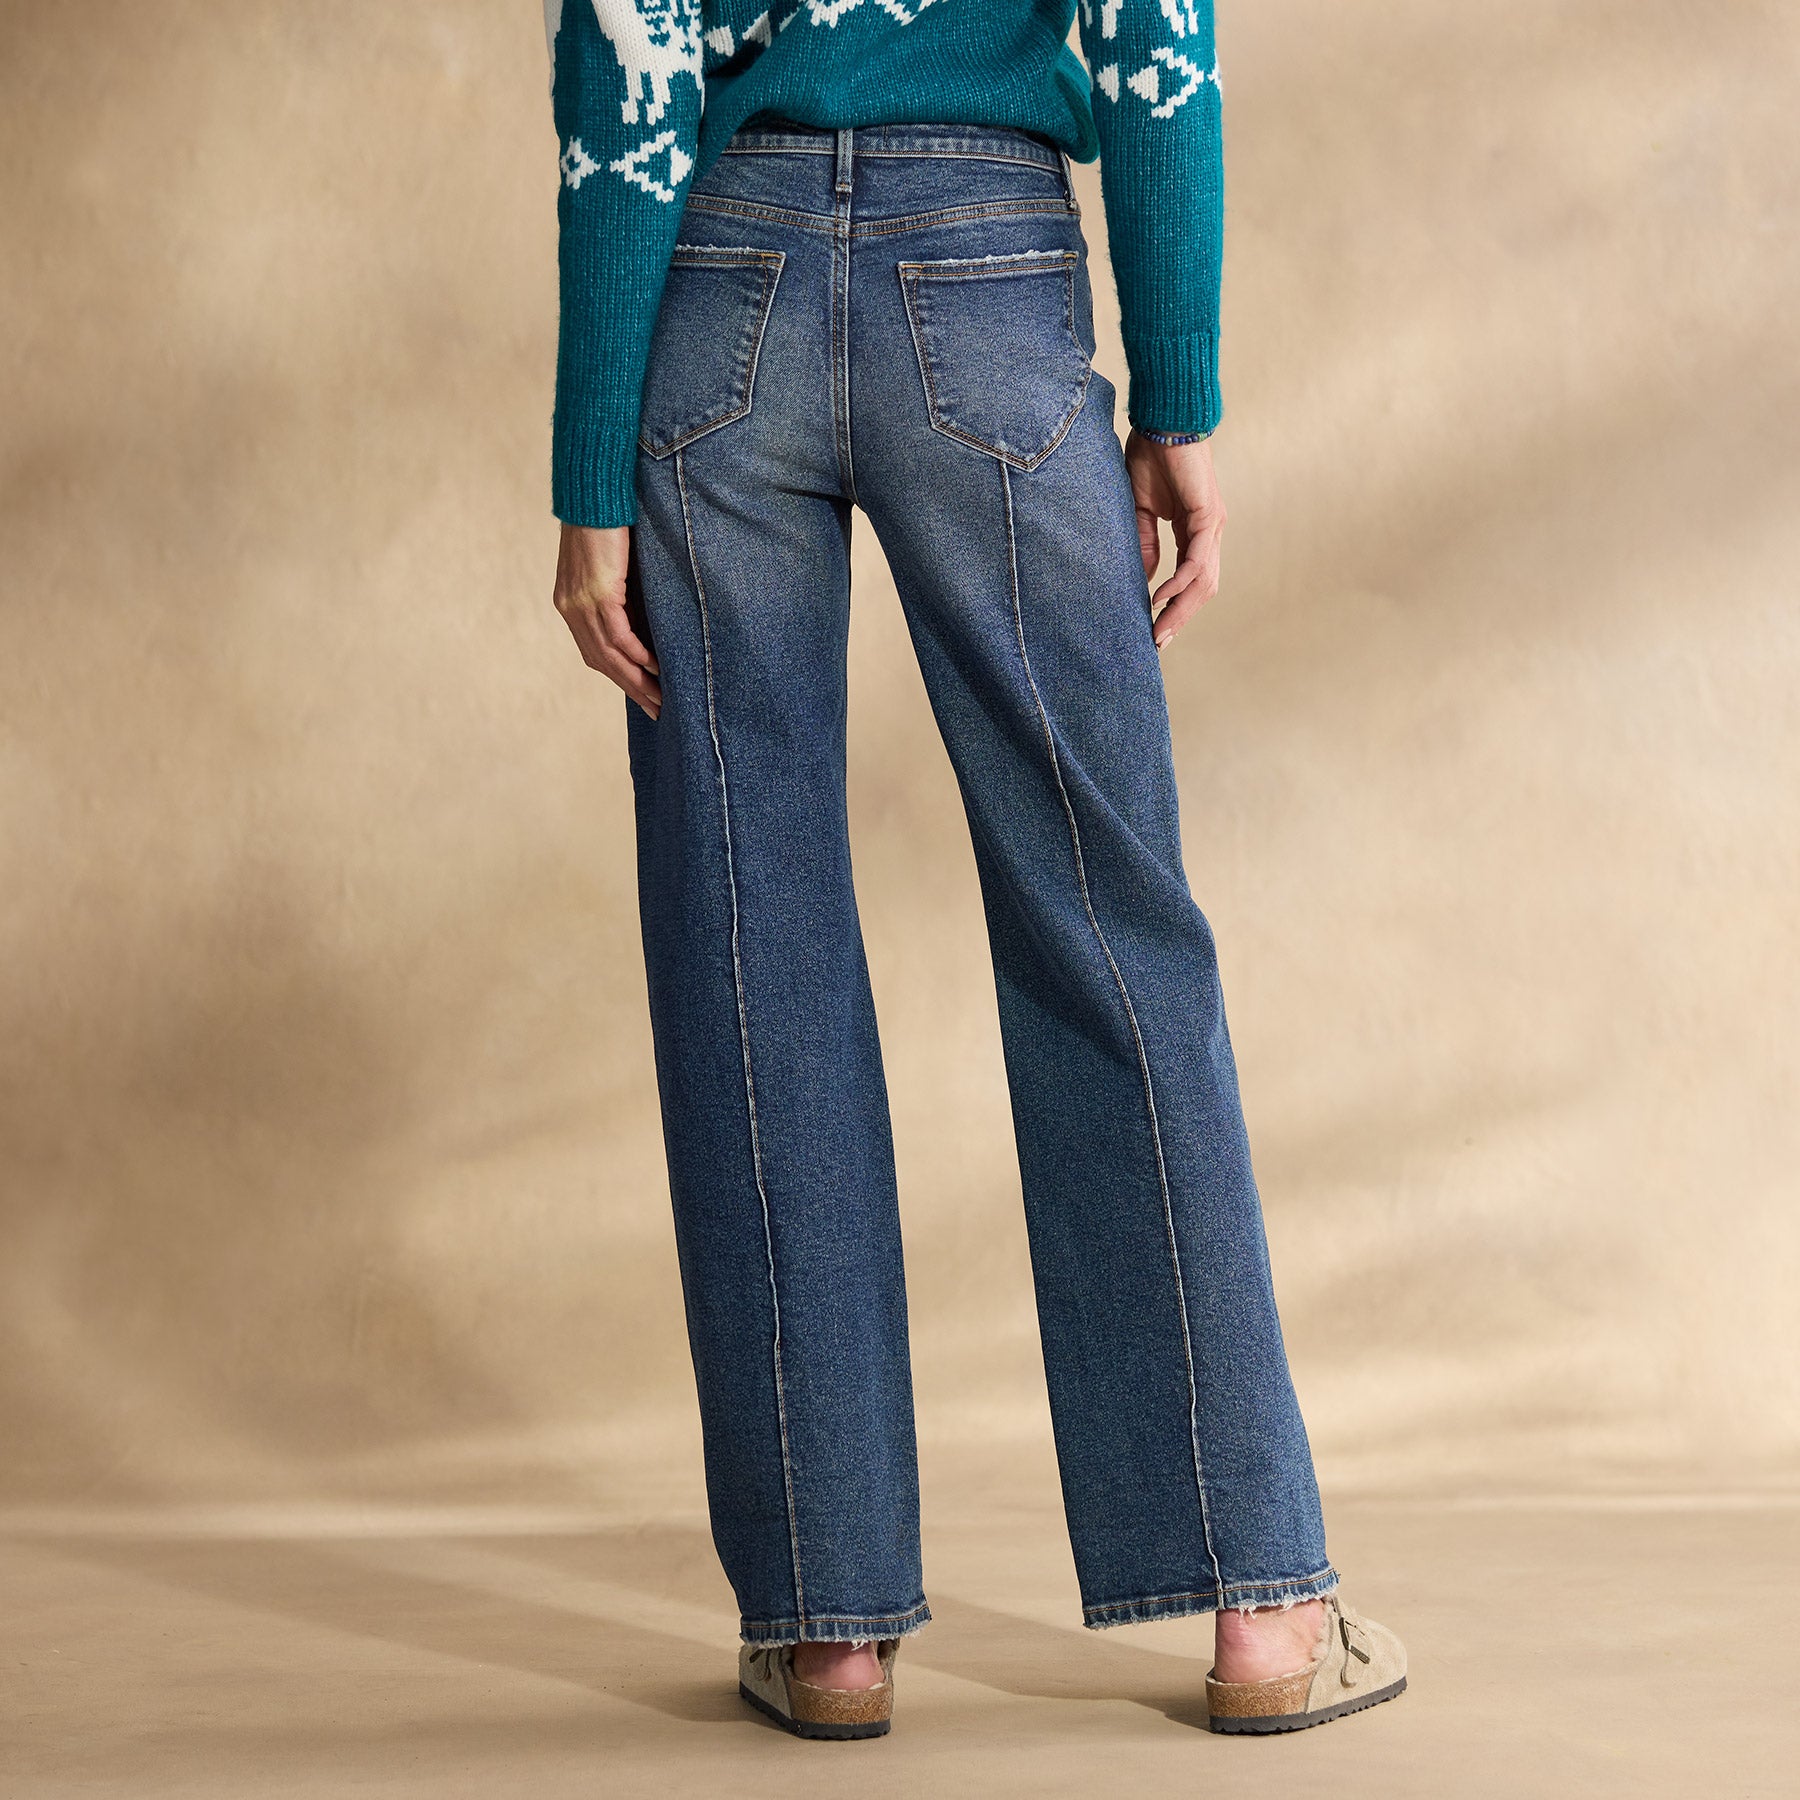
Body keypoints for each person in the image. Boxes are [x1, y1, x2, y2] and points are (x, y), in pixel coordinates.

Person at [541, 0, 1407, 1740]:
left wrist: (587, 473)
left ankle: (830, 1624)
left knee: (746, 938)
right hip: (987, 279)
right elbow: (1157, 33)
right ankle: (1258, 1603)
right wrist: (1179, 389)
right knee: (1108, 918)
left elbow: (628, 48)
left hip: (720, 287)